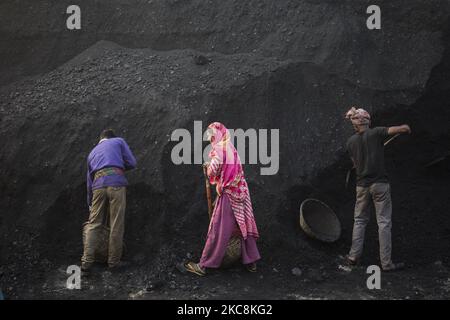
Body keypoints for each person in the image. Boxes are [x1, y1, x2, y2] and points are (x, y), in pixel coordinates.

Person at [184, 122, 261, 276]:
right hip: (242, 192)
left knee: (217, 228)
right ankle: (251, 261)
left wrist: (208, 167)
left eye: (209, 132)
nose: (207, 135)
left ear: (216, 134)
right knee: (243, 224)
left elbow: (214, 169)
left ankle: (204, 265)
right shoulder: (231, 148)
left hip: (229, 194)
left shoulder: (218, 149)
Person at [345, 107, 411, 272]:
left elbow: (354, 164)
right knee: (383, 222)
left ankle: (353, 257)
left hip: (361, 186)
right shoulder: (376, 133)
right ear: (367, 121)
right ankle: (386, 263)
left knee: (359, 221)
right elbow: (400, 129)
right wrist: (405, 128)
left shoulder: (350, 142)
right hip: (379, 184)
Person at [81, 129, 137, 272]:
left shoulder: (92, 153)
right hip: (116, 183)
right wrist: (116, 167)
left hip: (97, 187)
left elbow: (89, 182)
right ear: (112, 137)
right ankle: (113, 263)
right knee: (116, 224)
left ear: (100, 140)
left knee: (94, 224)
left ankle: (86, 263)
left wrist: (90, 203)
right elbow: (132, 162)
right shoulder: (118, 141)